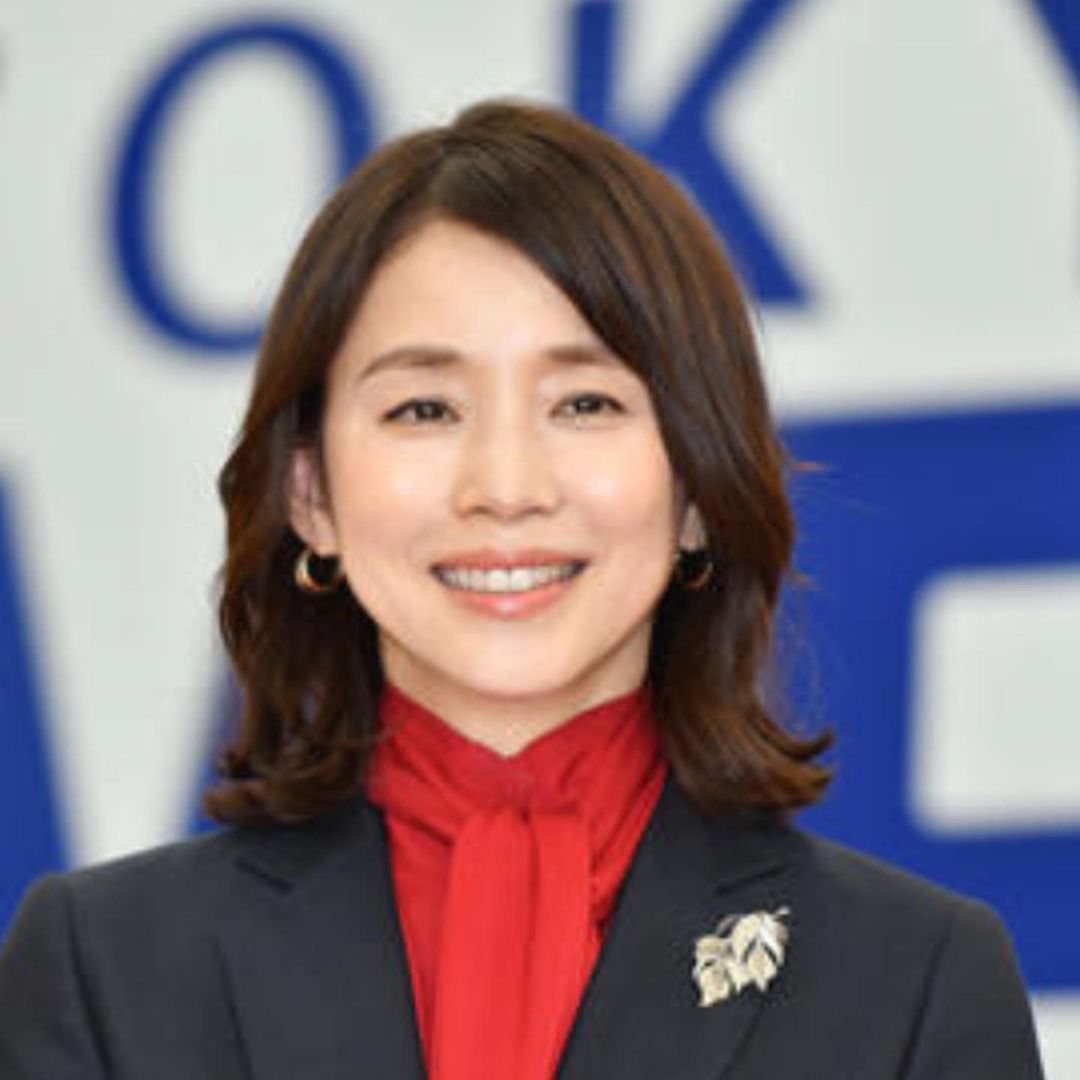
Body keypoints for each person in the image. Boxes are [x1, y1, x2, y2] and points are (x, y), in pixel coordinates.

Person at [0, 100, 1044, 1080]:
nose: (504, 487)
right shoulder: (106, 972)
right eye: (424, 410)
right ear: (311, 495)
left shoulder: (912, 985)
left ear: (695, 487)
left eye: (584, 403)